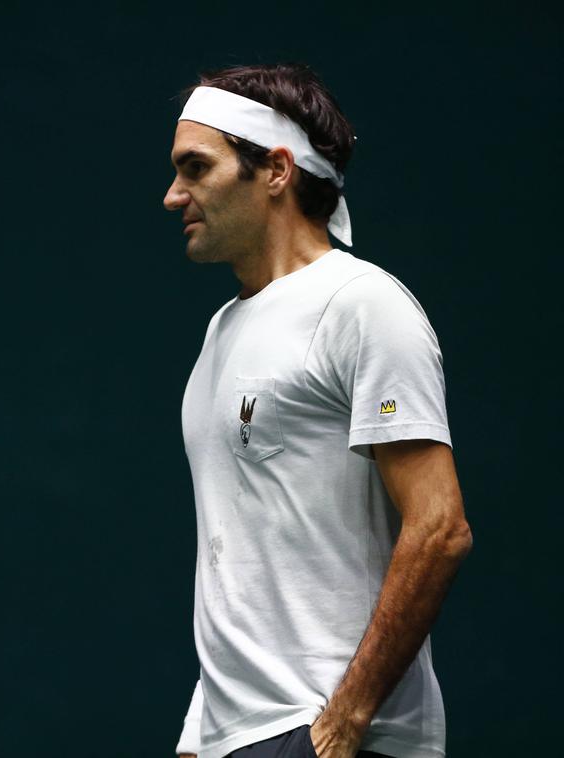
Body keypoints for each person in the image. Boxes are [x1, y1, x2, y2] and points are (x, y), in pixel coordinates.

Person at [163, 65, 472, 758]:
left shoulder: (363, 305)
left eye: (195, 168)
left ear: (274, 170)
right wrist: (201, 734)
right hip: (232, 736)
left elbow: (440, 526)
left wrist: (343, 723)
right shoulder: (221, 331)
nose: (172, 195)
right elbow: (240, 556)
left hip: (330, 734)